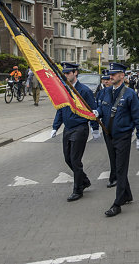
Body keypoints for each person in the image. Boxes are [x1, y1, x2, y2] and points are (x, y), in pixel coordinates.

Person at [94, 62, 139, 217]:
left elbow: (137, 117)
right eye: (110, 74)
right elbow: (102, 109)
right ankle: (127, 194)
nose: (111, 76)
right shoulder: (105, 92)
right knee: (116, 166)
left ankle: (118, 203)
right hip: (108, 135)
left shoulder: (129, 94)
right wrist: (97, 113)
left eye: (114, 74)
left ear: (122, 76)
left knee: (120, 170)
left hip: (123, 136)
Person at [50, 62, 100, 202]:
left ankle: (78, 189)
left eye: (68, 73)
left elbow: (93, 110)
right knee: (68, 159)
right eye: (64, 73)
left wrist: (95, 128)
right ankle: (84, 180)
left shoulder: (83, 91)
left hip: (80, 128)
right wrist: (55, 127)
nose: (65, 76)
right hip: (68, 129)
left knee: (75, 160)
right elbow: (60, 109)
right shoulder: (64, 90)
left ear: (75, 73)